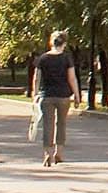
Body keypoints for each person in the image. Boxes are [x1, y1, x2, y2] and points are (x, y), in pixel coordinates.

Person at [30, 31, 80, 166]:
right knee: (61, 124)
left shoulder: (43, 58)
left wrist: (34, 94)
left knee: (48, 125)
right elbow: (72, 78)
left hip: (47, 96)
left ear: (51, 42)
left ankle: (47, 154)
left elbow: (36, 79)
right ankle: (59, 153)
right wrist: (77, 95)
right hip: (64, 96)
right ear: (64, 43)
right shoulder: (67, 58)